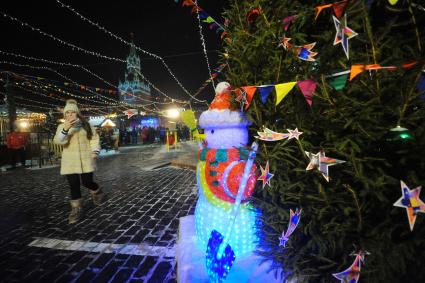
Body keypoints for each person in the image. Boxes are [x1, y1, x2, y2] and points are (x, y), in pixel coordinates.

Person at [54, 99, 104, 224]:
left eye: (72, 112)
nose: (70, 115)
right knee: (74, 185)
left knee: (87, 182)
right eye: (67, 113)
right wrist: (66, 129)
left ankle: (97, 191)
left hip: (86, 159)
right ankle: (76, 209)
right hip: (70, 161)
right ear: (65, 115)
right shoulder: (62, 126)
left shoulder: (86, 125)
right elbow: (58, 141)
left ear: (77, 113)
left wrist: (95, 151)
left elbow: (94, 139)